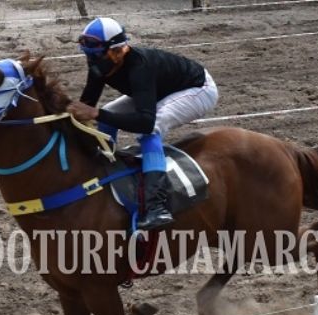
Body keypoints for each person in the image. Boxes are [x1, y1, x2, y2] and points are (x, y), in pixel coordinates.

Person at [66, 17, 219, 230]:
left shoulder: (140, 67)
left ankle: (157, 207)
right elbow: (87, 104)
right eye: (88, 54)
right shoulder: (101, 63)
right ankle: (105, 167)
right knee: (108, 113)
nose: (92, 61)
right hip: (157, 89)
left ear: (118, 52)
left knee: (152, 130)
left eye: (97, 55)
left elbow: (145, 122)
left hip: (197, 89)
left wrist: (95, 113)